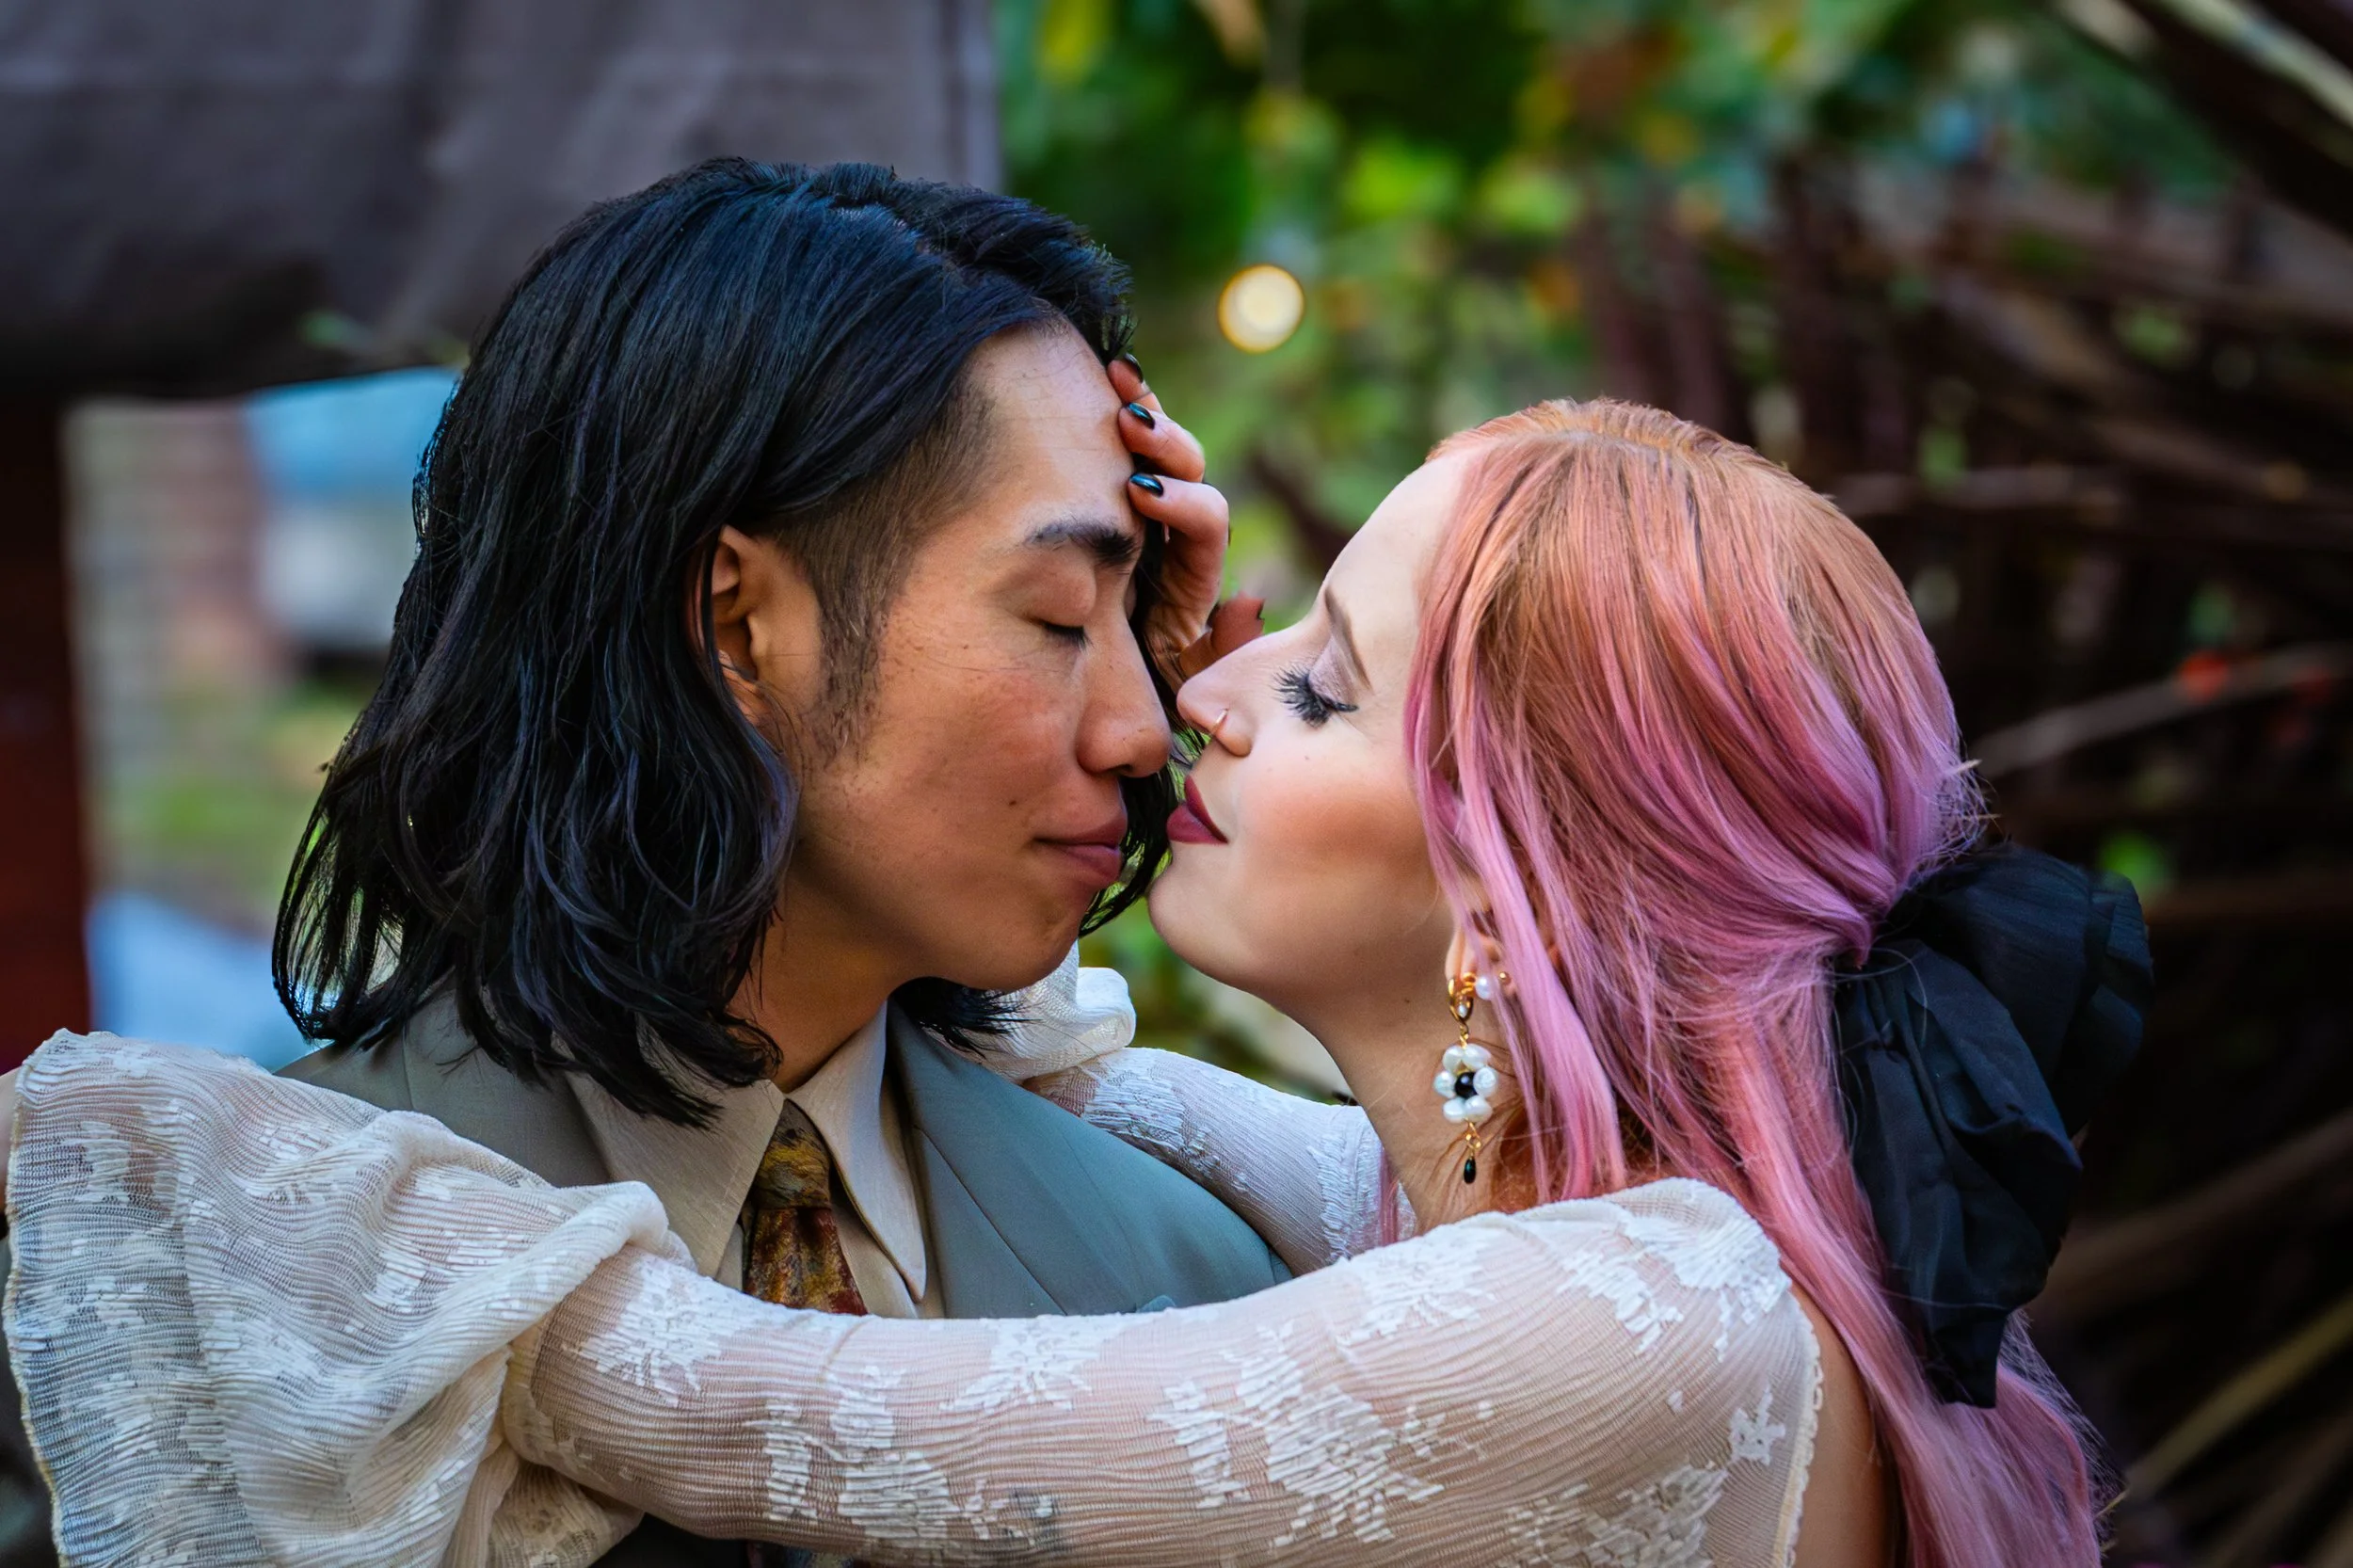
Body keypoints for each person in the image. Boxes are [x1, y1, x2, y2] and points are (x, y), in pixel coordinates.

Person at [1, 402, 2150, 1566]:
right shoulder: (1550, 1234)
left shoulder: (1633, 1325)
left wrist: (163, 1139)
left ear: (1502, 878)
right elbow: (1096, 1075)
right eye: (1135, 633)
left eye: (1316, 683)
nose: (1193, 700)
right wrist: (1059, 731)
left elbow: (711, 1395)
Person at [0, 159, 1288, 1567]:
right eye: (1055, 616)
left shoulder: (1193, 1274)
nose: (1141, 724)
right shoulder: (185, 1299)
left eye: (1134, 616)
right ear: (735, 625)